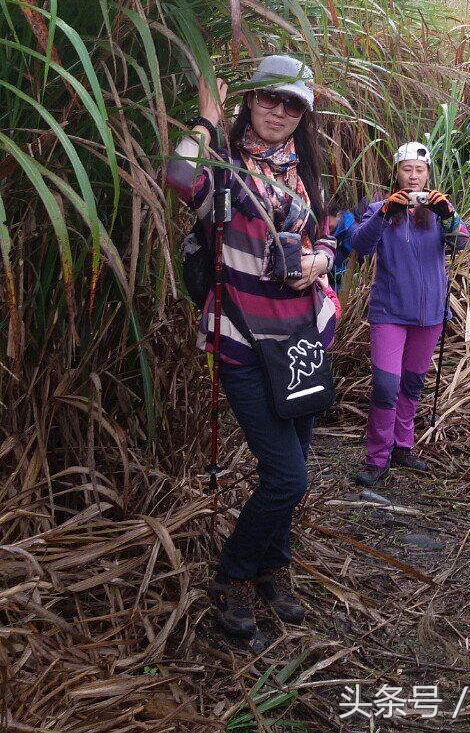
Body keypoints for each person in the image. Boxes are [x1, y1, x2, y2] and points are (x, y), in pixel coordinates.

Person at [167, 55, 337, 638]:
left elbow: (330, 238)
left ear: (303, 114)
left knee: (290, 465)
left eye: (293, 104)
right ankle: (233, 575)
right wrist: (207, 122)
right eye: (269, 99)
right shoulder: (223, 167)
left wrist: (315, 262)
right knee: (288, 476)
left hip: (302, 339)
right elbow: (177, 176)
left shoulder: (306, 171)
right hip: (240, 336)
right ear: (250, 100)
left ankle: (273, 567)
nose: (279, 112)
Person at [350, 141, 470, 486]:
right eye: (407, 169)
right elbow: (360, 244)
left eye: (419, 170)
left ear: (428, 175)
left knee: (413, 384)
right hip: (389, 312)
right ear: (397, 173)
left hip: (430, 315)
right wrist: (386, 213)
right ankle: (377, 458)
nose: (413, 176)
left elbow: (461, 243)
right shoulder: (379, 208)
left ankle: (403, 446)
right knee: (386, 386)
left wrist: (448, 213)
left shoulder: (437, 212)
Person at [327, 198, 356, 292]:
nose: (326, 228)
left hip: (343, 283)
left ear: (338, 216)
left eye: (328, 224)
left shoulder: (351, 232)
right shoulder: (329, 231)